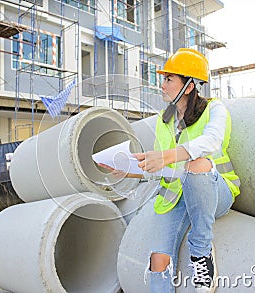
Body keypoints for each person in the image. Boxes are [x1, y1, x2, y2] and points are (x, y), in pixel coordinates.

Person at [102, 48, 240, 292]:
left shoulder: (214, 110)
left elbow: (211, 142)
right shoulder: (163, 121)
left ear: (188, 86)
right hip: (176, 197)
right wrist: (128, 169)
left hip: (213, 191)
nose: (162, 85)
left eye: (168, 79)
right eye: (163, 79)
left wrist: (166, 157)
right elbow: (162, 171)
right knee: (158, 262)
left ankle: (201, 250)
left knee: (197, 163)